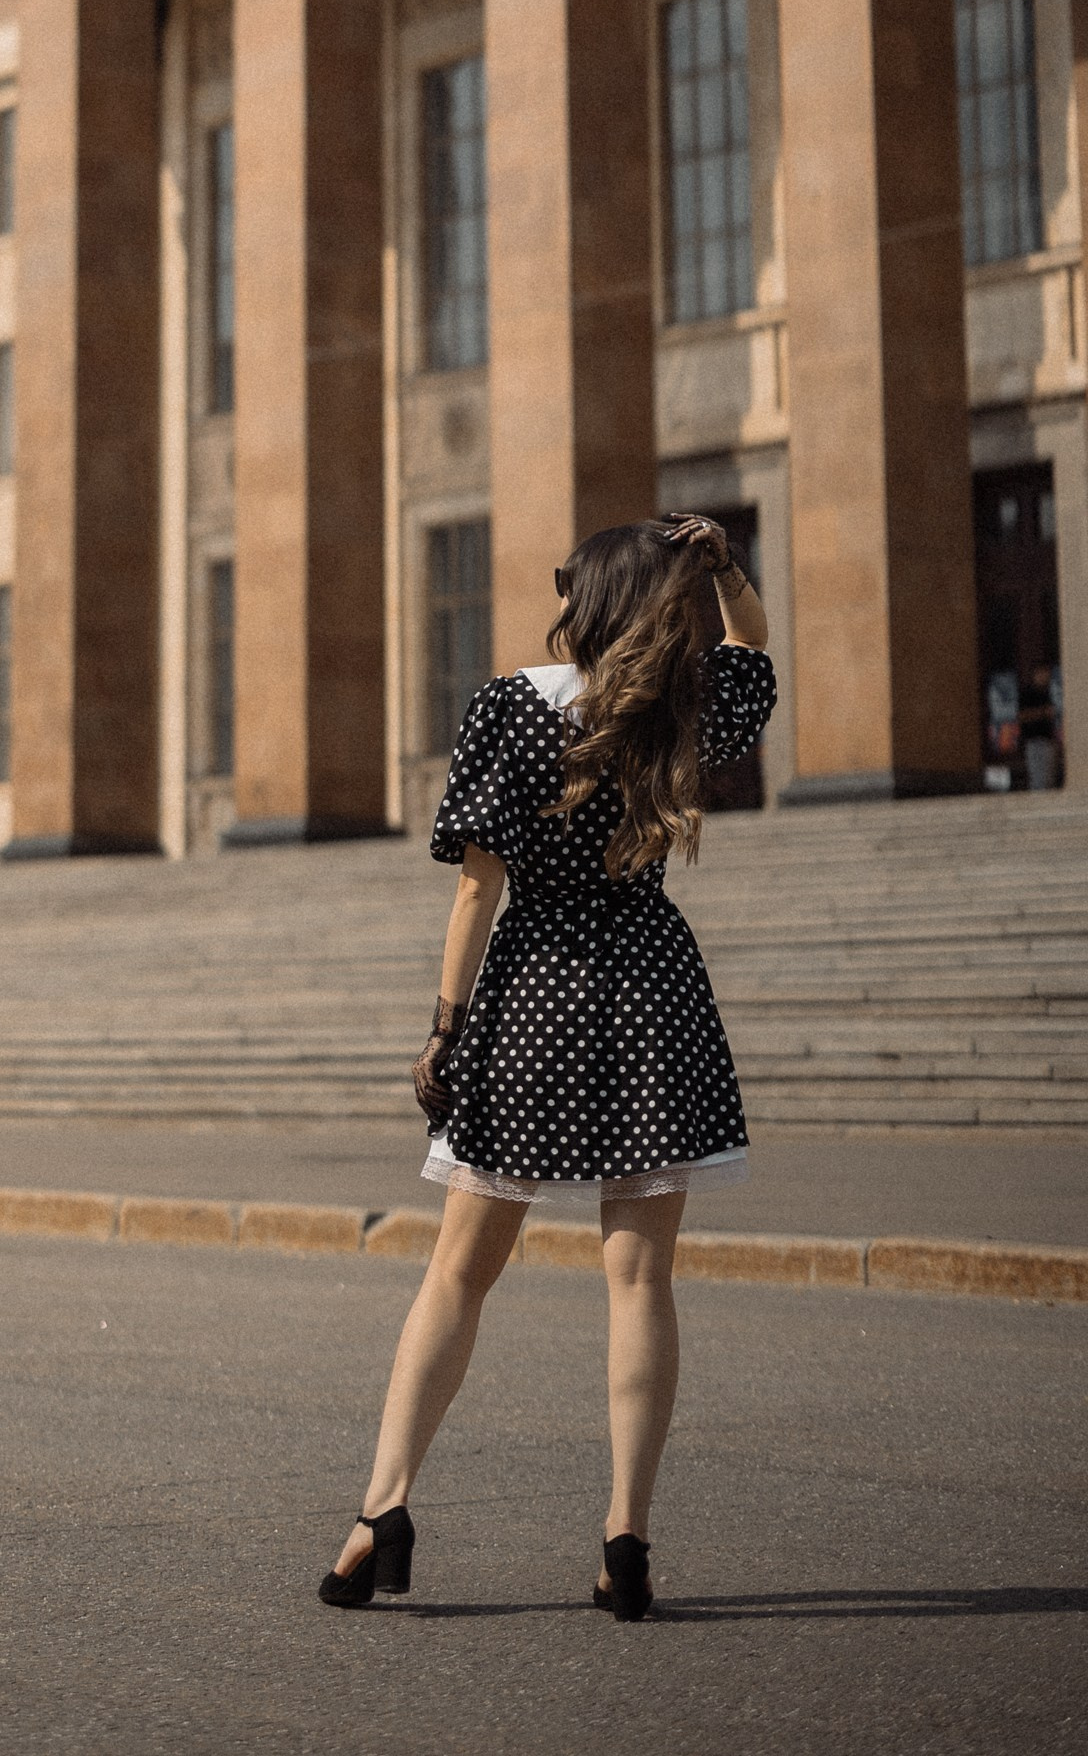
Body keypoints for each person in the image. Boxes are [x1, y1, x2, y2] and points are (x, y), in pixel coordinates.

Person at [318, 514, 773, 1623]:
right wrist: (722, 568)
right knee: (641, 1282)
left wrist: (443, 1027)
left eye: (569, 581)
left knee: (457, 1274)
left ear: (589, 597)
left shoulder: (508, 706)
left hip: (535, 995)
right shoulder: (677, 704)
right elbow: (753, 649)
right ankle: (626, 1539)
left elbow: (477, 888)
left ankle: (382, 1510)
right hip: (652, 994)